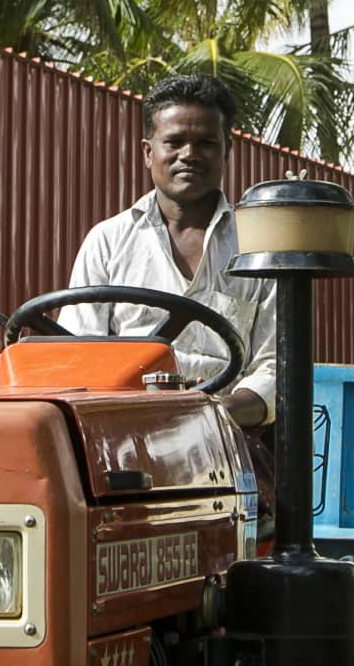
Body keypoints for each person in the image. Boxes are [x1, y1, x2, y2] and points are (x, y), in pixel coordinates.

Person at [65, 73, 277, 434]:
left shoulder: (261, 248)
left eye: (206, 143)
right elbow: (77, 355)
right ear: (149, 152)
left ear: (227, 151)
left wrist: (215, 415)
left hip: (230, 436)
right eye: (174, 142)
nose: (189, 155)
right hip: (125, 433)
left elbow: (275, 365)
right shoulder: (108, 242)